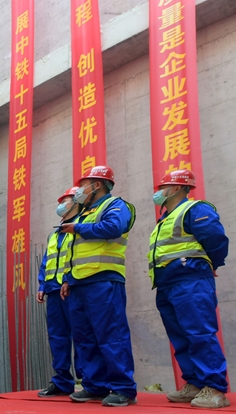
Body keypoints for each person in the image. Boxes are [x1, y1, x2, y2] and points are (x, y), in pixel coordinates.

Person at [148, 169, 230, 408]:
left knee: (199, 333)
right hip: (167, 283)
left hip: (190, 280)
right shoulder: (165, 219)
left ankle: (215, 388)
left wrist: (212, 263)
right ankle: (194, 383)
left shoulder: (195, 209)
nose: (158, 192)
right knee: (180, 336)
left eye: (162, 187)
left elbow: (215, 239)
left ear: (176, 188)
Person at [59, 165, 137, 407]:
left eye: (83, 185)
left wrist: (78, 228)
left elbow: (114, 227)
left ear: (98, 185)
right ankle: (95, 385)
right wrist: (67, 279)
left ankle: (123, 388)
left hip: (103, 280)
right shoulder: (85, 213)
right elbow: (75, 252)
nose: (79, 190)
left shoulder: (115, 205)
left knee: (111, 335)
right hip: (79, 283)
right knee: (85, 338)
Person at [36, 187, 84, 397]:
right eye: (61, 201)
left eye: (66, 201)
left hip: (73, 289)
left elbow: (81, 257)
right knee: (57, 337)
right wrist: (42, 286)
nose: (61, 205)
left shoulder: (82, 227)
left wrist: (70, 280)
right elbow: (46, 261)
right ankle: (62, 381)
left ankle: (85, 380)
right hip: (54, 291)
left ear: (77, 202)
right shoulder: (55, 234)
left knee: (81, 335)